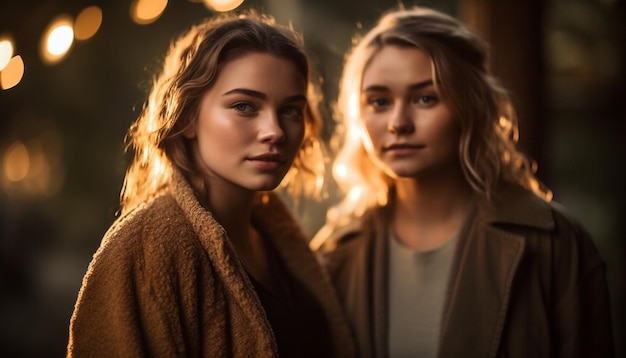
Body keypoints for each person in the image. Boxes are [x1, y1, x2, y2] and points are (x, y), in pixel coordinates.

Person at [311, 7, 614, 358]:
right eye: (379, 101)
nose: (398, 122)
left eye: (426, 98)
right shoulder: (333, 253)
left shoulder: (554, 242)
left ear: (470, 105)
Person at [67, 11, 355, 357]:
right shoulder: (145, 247)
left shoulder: (278, 242)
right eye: (245, 106)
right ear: (187, 117)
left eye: (291, 110)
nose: (275, 131)